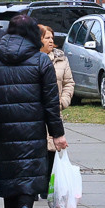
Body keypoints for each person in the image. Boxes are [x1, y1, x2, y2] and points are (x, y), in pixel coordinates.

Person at [0, 15, 68, 208]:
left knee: (8, 176)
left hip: (2, 128)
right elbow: (51, 103)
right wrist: (57, 134)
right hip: (32, 128)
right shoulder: (41, 61)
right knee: (30, 174)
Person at [40, 23, 75, 191]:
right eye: (47, 38)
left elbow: (69, 83)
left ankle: (48, 186)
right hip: (35, 111)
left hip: (54, 110)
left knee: (52, 149)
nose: (51, 41)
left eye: (52, 38)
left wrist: (63, 101)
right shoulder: (31, 60)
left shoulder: (61, 59)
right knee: (37, 150)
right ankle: (36, 187)